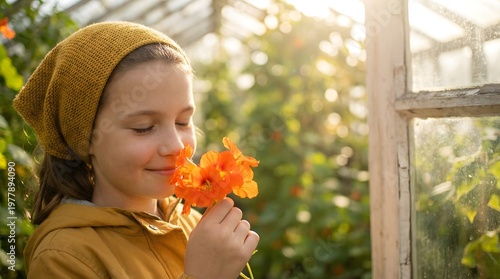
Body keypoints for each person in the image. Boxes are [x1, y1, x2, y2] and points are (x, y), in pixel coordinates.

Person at [13, 21, 259, 279]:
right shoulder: (62, 257)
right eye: (143, 127)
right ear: (84, 139)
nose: (176, 146)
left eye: (183, 122)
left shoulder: (191, 223)